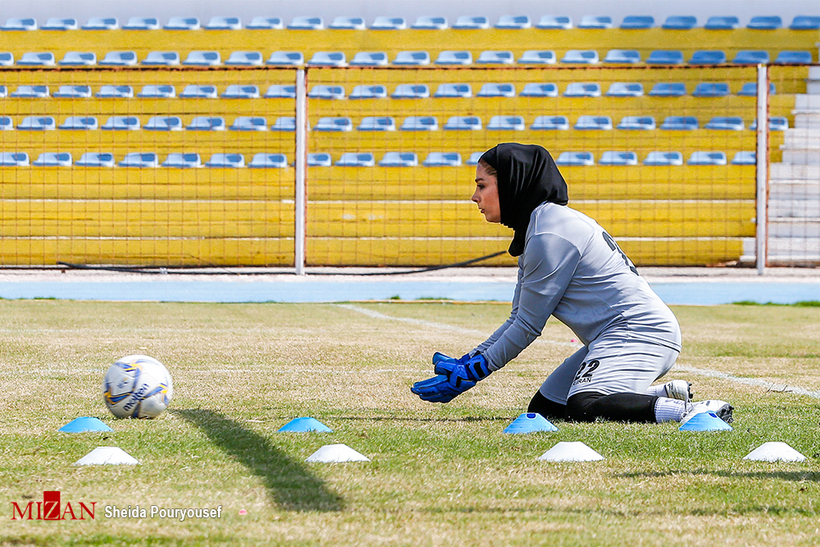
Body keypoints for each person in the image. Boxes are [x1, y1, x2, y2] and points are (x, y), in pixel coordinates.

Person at [411, 143, 733, 424]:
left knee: (583, 405)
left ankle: (692, 412)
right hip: (617, 336)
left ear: (510, 184)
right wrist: (469, 360)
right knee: (547, 408)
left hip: (640, 334)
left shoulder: (548, 233)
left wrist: (473, 372)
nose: (474, 196)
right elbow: (517, 318)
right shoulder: (539, 225)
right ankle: (663, 394)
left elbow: (526, 326)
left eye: (482, 185)